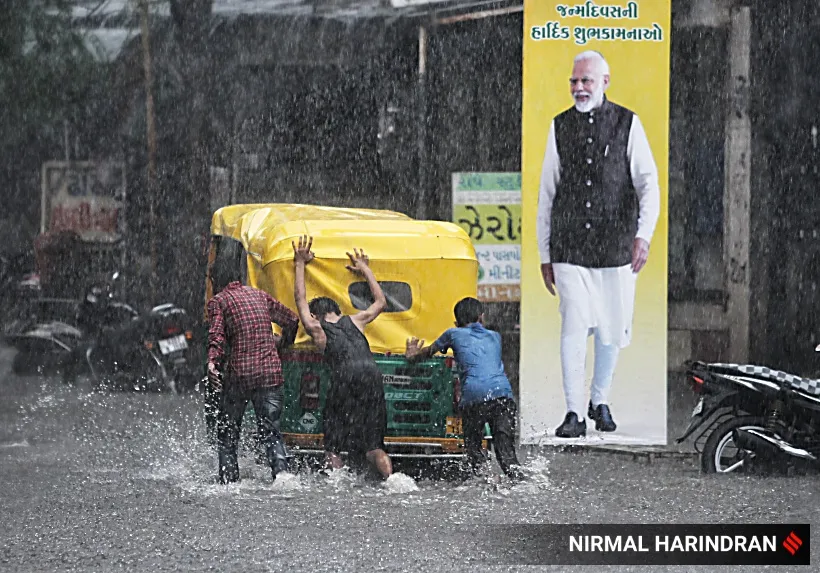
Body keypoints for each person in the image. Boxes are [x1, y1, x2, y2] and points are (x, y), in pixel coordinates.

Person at [536, 50, 661, 438]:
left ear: (605, 81)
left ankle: (599, 400)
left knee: (612, 328)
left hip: (616, 248)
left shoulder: (628, 123)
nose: (578, 87)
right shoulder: (559, 126)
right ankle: (573, 412)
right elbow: (547, 194)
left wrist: (643, 234)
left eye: (586, 80)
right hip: (570, 247)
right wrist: (545, 253)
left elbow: (648, 185)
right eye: (574, 81)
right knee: (573, 324)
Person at [291, 235, 393, 480]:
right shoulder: (355, 321)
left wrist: (299, 263)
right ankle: (392, 480)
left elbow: (300, 299)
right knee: (374, 445)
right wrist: (365, 268)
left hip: (345, 376)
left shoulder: (316, 328)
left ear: (317, 315)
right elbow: (380, 302)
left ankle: (336, 480)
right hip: (372, 374)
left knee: (333, 444)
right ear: (337, 311)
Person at [405, 297, 523, 481]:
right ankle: (519, 482)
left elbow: (426, 354)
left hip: (474, 398)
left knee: (474, 447)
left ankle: (483, 480)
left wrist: (412, 354)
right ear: (481, 317)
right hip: (503, 395)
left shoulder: (453, 334)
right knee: (506, 453)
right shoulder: (495, 336)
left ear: (456, 321)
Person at [206, 266, 299, 484]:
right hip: (269, 374)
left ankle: (229, 481)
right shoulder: (258, 295)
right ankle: (282, 476)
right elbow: (292, 320)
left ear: (215, 281)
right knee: (271, 432)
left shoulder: (218, 301)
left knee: (228, 432)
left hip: (240, 376)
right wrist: (283, 343)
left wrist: (212, 362)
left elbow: (217, 336)